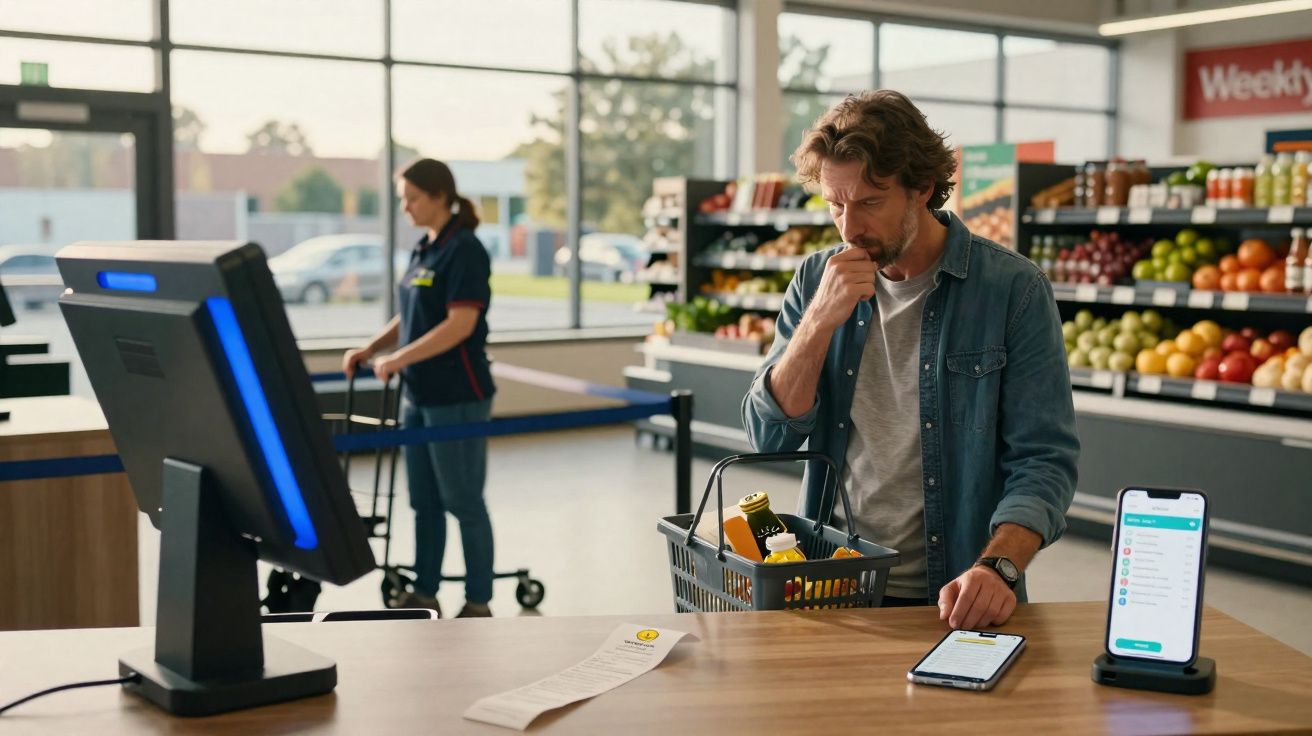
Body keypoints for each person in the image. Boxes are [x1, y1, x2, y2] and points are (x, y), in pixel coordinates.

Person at [742, 90, 1078, 630]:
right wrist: (818, 323)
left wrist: (999, 568)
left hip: (958, 594)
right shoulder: (814, 278)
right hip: (830, 583)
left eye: (869, 203)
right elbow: (768, 438)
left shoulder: (1012, 290)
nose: (848, 228)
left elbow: (1045, 460)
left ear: (921, 189)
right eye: (835, 204)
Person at [344, 158, 496, 618]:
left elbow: (459, 325)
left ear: (438, 196)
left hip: (459, 395)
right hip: (419, 396)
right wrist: (371, 348)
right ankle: (425, 591)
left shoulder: (465, 250)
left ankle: (478, 600)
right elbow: (409, 316)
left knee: (463, 500)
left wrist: (398, 359)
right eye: (403, 199)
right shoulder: (422, 250)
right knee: (423, 501)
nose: (405, 207)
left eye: (411, 198)